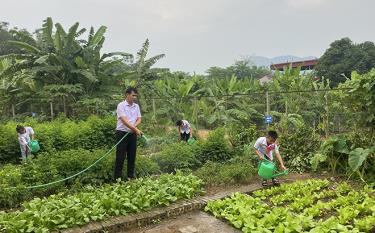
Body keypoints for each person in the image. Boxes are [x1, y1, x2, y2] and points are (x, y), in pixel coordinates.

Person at [114, 87, 142, 181]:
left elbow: (139, 119)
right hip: (122, 133)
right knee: (120, 156)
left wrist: (134, 128)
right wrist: (135, 129)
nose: (135, 97)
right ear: (127, 95)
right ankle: (117, 179)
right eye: (133, 95)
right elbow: (124, 120)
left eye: (136, 96)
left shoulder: (136, 106)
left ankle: (130, 176)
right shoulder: (121, 105)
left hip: (132, 133)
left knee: (132, 155)